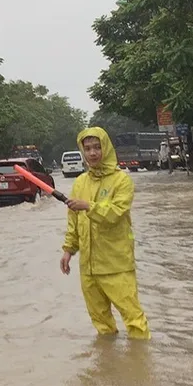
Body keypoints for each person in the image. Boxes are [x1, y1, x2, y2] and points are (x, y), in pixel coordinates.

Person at [59, 127, 150, 340]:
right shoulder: (80, 181)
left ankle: (141, 365)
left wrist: (89, 206)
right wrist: (68, 250)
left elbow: (116, 213)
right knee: (101, 323)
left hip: (116, 264)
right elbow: (74, 220)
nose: (92, 153)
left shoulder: (121, 181)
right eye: (87, 148)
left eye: (97, 147)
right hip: (88, 267)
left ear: (106, 148)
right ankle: (109, 364)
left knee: (134, 319)